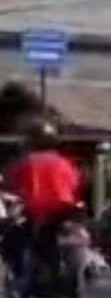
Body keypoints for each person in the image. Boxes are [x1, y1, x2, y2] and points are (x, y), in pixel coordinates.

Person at [2, 120, 82, 288]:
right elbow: (75, 184)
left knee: (14, 237)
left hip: (35, 209)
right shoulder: (64, 162)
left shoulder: (24, 162)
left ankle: (21, 275)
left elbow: (11, 184)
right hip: (64, 208)